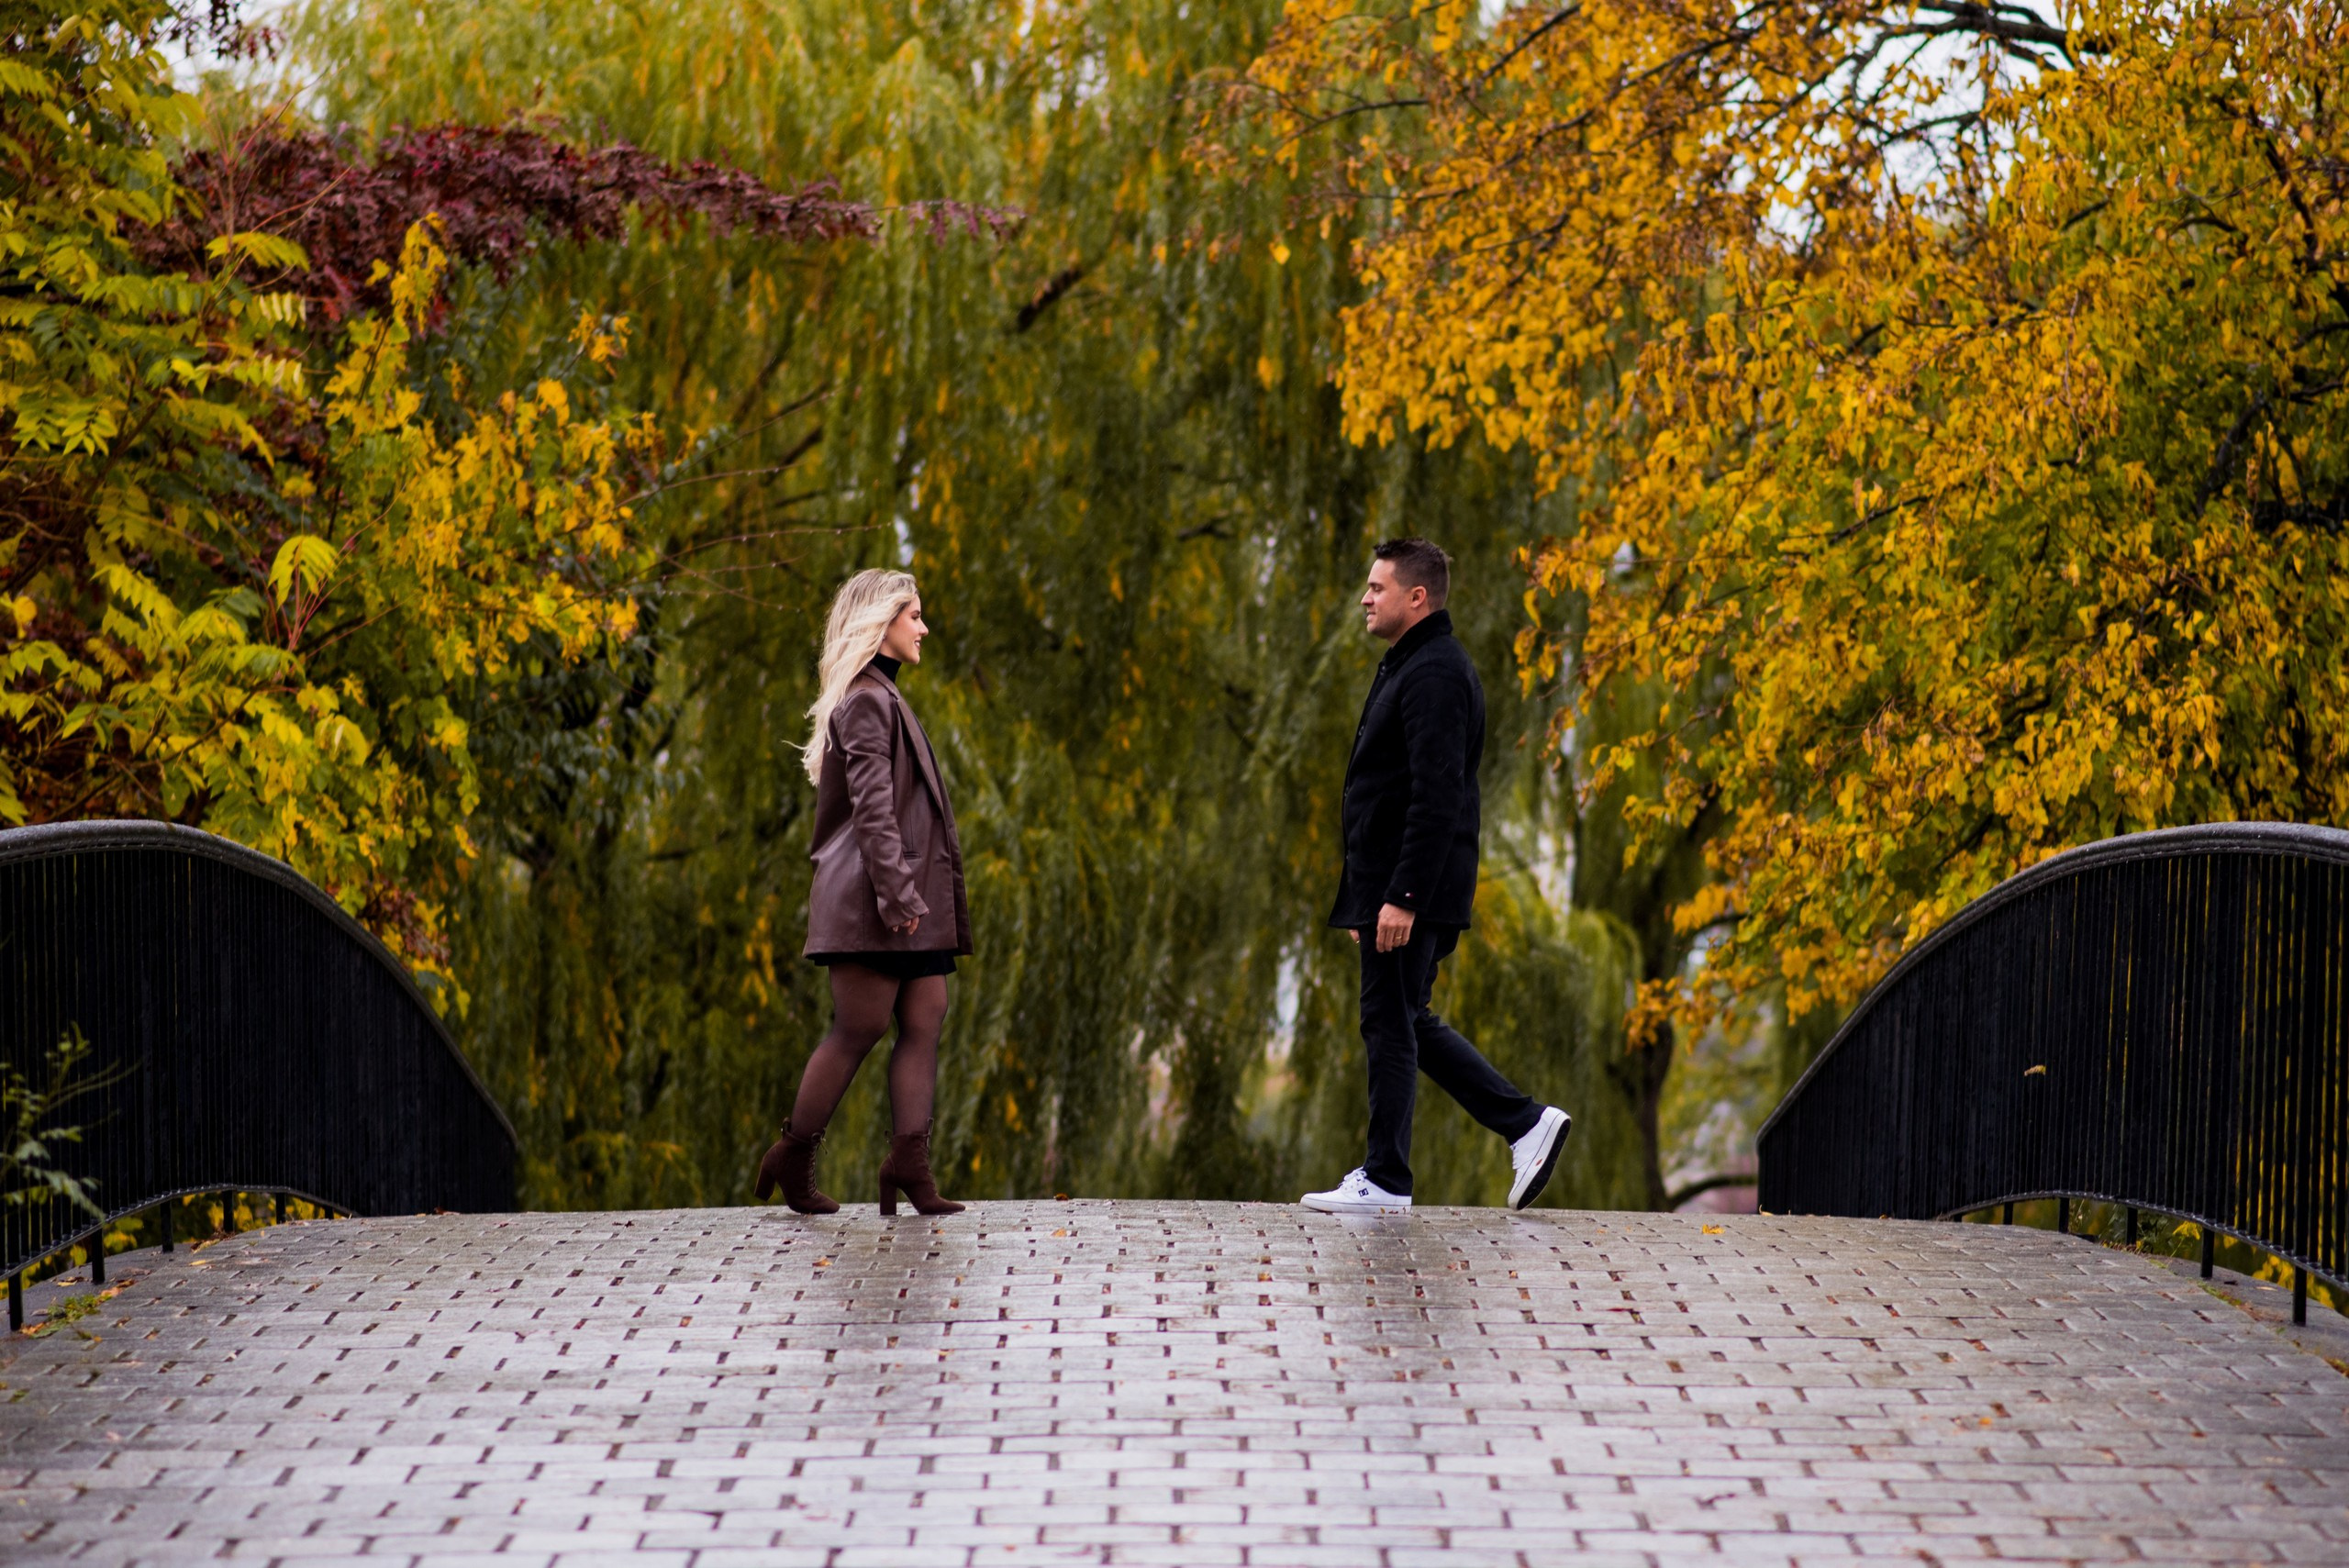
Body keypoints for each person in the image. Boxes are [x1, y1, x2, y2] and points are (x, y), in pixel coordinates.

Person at [1303, 538, 1573, 1216]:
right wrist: (1373, 897)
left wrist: (1402, 896)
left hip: (1408, 888)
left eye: (1377, 587)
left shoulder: (1434, 674)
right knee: (1404, 1020)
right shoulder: (1413, 665)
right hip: (1391, 887)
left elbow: (1436, 793)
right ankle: (1525, 1123)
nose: (1365, 597)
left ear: (1416, 597)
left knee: (1389, 1023)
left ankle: (1387, 1177)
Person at [755, 568, 972, 1217]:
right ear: (882, 624)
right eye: (914, 615)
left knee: (925, 1013)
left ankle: (909, 1162)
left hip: (899, 895)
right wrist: (899, 896)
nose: (924, 627)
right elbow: (875, 814)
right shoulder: (868, 701)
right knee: (860, 1026)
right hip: (877, 899)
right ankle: (793, 1152)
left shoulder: (883, 696)